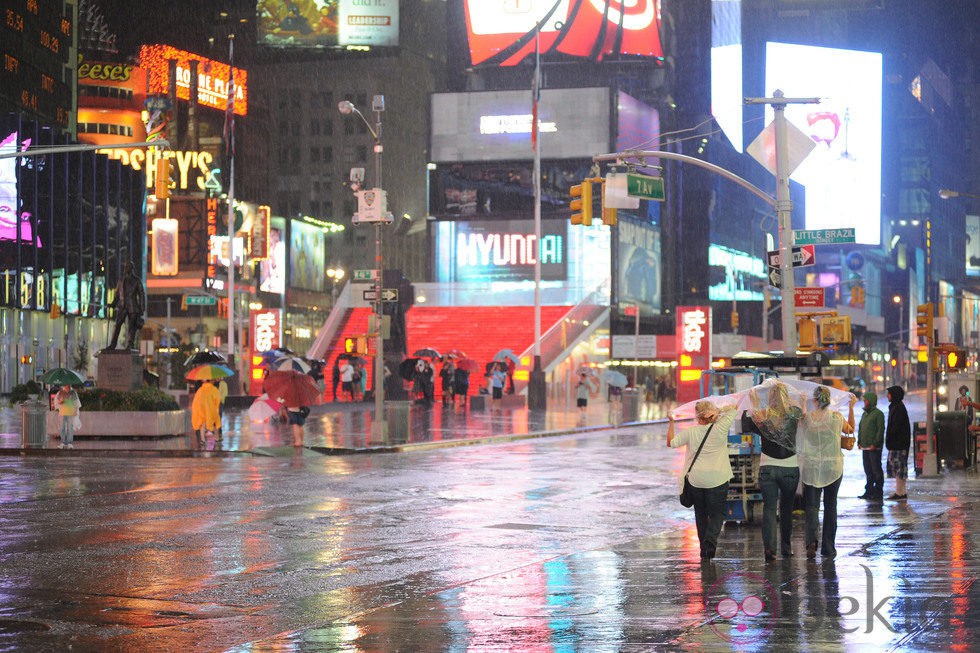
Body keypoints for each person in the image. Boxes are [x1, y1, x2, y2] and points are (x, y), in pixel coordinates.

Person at [667, 400, 738, 561]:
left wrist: (671, 422)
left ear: (698, 416)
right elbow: (734, 407)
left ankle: (703, 549)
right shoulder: (720, 427)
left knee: (700, 513)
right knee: (717, 513)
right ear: (711, 413)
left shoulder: (691, 432)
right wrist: (719, 410)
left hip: (696, 480)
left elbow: (670, 442)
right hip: (718, 479)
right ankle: (710, 544)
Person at [797, 386, 857, 559]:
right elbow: (851, 429)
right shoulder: (837, 417)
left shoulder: (808, 418)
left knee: (812, 507)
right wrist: (851, 407)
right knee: (831, 506)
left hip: (812, 467)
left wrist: (802, 402)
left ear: (814, 401)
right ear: (829, 400)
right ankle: (828, 548)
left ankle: (811, 543)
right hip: (833, 467)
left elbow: (801, 421)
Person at [748, 382, 803, 562]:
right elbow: (803, 414)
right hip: (789, 468)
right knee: (786, 510)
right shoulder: (794, 412)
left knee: (770, 509)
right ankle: (786, 548)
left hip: (767, 468)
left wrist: (755, 401)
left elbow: (752, 421)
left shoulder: (763, 414)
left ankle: (770, 549)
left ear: (770, 398)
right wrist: (800, 400)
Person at [857, 392, 885, 502]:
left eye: (866, 400)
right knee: (868, 471)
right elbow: (860, 428)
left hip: (874, 448)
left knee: (876, 470)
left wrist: (876, 443)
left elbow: (880, 430)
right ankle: (869, 491)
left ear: (871, 401)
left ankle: (878, 492)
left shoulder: (878, 414)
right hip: (865, 447)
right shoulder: (865, 414)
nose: (864, 402)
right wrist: (859, 441)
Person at [885, 385, 912, 501]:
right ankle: (900, 492)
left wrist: (892, 440)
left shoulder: (899, 408)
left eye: (889, 394)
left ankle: (901, 493)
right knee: (898, 469)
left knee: (900, 469)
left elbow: (896, 428)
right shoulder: (895, 407)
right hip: (896, 445)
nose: (887, 396)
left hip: (899, 445)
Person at [190, 380, 221, 447]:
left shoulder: (200, 390)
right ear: (211, 381)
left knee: (202, 424)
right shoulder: (214, 389)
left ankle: (203, 440)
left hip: (202, 410)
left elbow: (196, 401)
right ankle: (217, 438)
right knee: (214, 424)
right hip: (212, 409)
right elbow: (217, 399)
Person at [54, 385, 81, 449]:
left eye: (67, 385)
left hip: (70, 413)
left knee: (70, 427)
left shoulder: (73, 393)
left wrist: (75, 411)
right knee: (62, 427)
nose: (66, 386)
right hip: (62, 412)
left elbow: (76, 403)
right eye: (65, 385)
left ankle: (69, 443)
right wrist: (61, 401)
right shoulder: (60, 393)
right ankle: (63, 442)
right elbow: (57, 402)